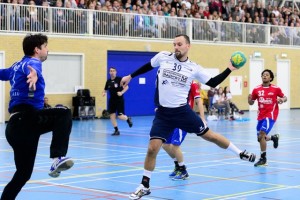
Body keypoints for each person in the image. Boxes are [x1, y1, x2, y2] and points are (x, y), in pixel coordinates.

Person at [121, 34, 256, 200]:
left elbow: (212, 82)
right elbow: (147, 66)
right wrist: (130, 76)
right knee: (152, 148)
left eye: (179, 44)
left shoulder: (194, 68)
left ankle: (239, 152)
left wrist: (229, 69)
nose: (176, 47)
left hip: (182, 112)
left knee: (210, 136)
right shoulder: (163, 57)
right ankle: (145, 185)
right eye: (174, 44)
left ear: (188, 46)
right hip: (163, 113)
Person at [0, 33, 74, 199]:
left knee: (23, 174)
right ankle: (57, 157)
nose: (48, 50)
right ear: (37, 49)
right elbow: (35, 68)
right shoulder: (33, 63)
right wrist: (35, 75)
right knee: (64, 112)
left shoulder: (15, 66)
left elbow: (2, 73)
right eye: (45, 47)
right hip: (27, 119)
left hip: (15, 128)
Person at [162, 80, 206, 180]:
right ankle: (177, 166)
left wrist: (202, 118)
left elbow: (199, 101)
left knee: (175, 145)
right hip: (171, 116)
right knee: (165, 144)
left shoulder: (193, 83)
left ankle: (183, 171)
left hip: (184, 117)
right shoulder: (175, 80)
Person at [248, 69, 286, 167]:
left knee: (261, 134)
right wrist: (249, 100)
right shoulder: (256, 89)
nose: (264, 76)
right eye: (263, 75)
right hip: (260, 116)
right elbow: (251, 102)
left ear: (271, 78)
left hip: (271, 115)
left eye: (267, 75)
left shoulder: (276, 89)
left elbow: (285, 97)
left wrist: (282, 99)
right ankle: (273, 137)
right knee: (260, 138)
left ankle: (263, 159)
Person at [102, 67, 133, 136]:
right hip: (112, 100)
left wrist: (121, 92)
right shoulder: (108, 81)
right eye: (110, 71)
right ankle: (116, 130)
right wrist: (104, 93)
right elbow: (105, 89)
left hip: (119, 100)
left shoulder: (120, 79)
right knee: (112, 115)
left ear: (116, 72)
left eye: (113, 71)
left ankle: (128, 118)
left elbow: (127, 87)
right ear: (109, 72)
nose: (112, 72)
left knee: (120, 116)